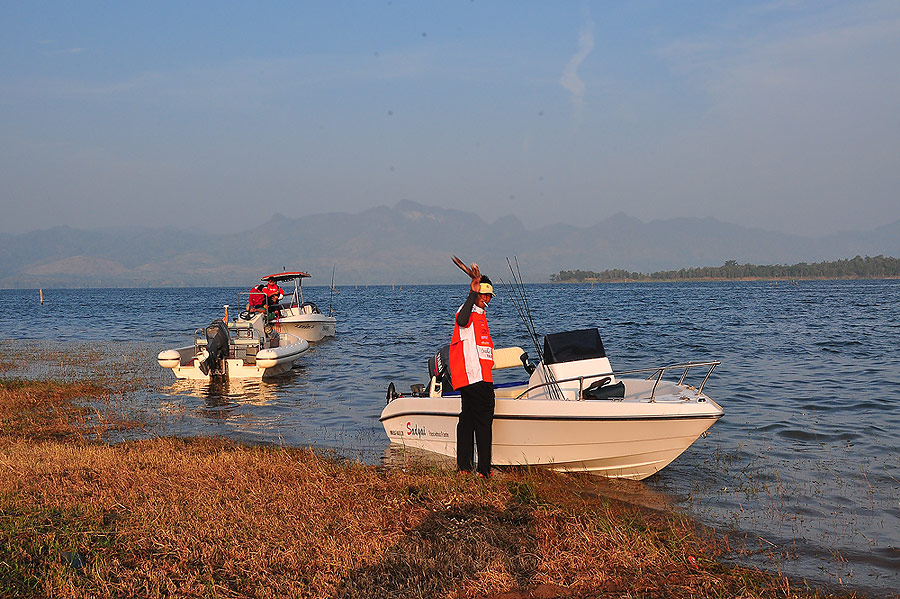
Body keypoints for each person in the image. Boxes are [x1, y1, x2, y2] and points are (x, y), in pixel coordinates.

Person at [449, 263, 495, 477]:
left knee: (467, 420)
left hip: (480, 377)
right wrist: (472, 291)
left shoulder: (481, 315)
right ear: (476, 293)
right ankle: (484, 471)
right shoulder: (466, 311)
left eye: (489, 296)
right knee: (482, 422)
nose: (486, 299)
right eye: (483, 295)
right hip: (473, 378)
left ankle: (465, 468)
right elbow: (461, 320)